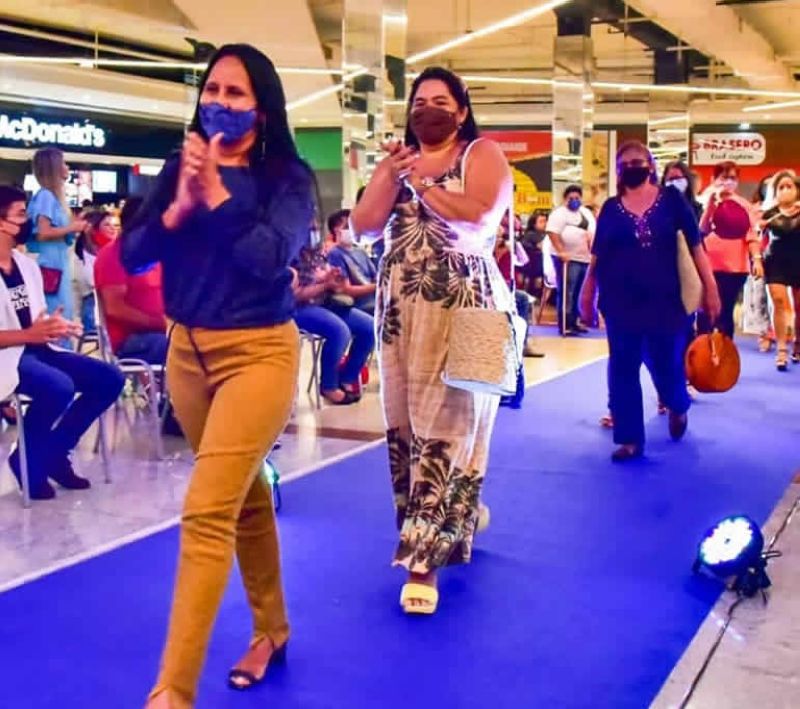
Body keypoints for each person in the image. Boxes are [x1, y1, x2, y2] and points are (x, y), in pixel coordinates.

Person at [122, 44, 315, 707]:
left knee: (206, 513)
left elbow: (268, 258)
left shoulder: (289, 178)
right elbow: (134, 250)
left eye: (236, 93)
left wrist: (216, 194)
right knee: (247, 496)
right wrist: (175, 209)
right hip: (187, 353)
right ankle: (272, 628)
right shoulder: (179, 164)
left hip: (258, 352)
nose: (221, 104)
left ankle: (171, 691)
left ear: (262, 107)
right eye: (213, 90)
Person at [351, 66, 514, 614]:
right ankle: (454, 516)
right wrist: (390, 175)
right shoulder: (397, 165)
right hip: (401, 309)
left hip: (473, 308)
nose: (428, 109)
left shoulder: (482, 153)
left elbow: (477, 215)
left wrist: (421, 181)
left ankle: (423, 562)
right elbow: (364, 225)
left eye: (441, 101)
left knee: (454, 433)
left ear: (461, 111)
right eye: (419, 101)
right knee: (408, 428)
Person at [579, 141, 721, 462]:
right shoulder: (611, 209)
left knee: (667, 364)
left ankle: (677, 404)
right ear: (618, 171)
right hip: (620, 302)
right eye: (625, 163)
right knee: (623, 367)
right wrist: (587, 292)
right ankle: (629, 439)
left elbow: (696, 247)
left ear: (650, 166)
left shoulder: (672, 201)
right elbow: (598, 255)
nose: (632, 167)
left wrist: (710, 288)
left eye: (638, 161)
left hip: (666, 301)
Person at [0, 185, 124, 499]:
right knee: (58, 386)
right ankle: (29, 462)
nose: (27, 220)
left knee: (109, 378)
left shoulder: (27, 266)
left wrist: (56, 326)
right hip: (8, 354)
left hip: (39, 348)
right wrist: (29, 335)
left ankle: (52, 453)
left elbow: (37, 319)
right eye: (19, 214)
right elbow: (23, 332)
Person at [292, 240, 375, 405]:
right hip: (299, 308)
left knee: (369, 327)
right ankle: (329, 386)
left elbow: (338, 288)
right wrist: (325, 284)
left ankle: (347, 377)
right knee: (339, 331)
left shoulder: (318, 256)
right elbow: (296, 295)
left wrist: (336, 281)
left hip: (326, 303)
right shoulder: (290, 257)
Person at [95, 197, 168, 364]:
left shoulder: (156, 252)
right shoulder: (113, 255)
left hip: (162, 331)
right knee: (182, 349)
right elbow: (114, 308)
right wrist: (158, 323)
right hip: (131, 340)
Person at [697, 161, 764, 339]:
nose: (728, 182)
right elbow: (700, 229)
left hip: (735, 268)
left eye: (733, 178)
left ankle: (726, 359)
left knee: (726, 313)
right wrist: (712, 201)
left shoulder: (744, 205)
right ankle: (701, 358)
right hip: (707, 266)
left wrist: (756, 259)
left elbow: (752, 236)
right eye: (724, 177)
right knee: (705, 313)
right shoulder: (703, 201)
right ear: (714, 179)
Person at [26, 148, 86, 326]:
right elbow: (43, 233)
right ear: (55, 168)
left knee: (61, 311)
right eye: (64, 163)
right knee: (57, 313)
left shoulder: (51, 197)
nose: (67, 167)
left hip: (57, 263)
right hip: (50, 265)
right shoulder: (46, 196)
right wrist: (72, 227)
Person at [760, 170, 800, 370]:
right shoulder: (769, 213)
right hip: (775, 260)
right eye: (781, 187)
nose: (785, 190)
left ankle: (798, 345)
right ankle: (782, 349)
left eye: (789, 186)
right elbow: (757, 235)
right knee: (779, 301)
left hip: (798, 259)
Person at [546, 184, 595, 335]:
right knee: (568, 291)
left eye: (577, 198)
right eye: (571, 198)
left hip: (583, 258)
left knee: (577, 292)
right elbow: (552, 233)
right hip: (567, 258)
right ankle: (565, 324)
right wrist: (561, 251)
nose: (574, 200)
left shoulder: (586, 213)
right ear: (565, 199)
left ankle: (574, 321)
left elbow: (592, 231)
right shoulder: (559, 214)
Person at [72, 210, 118, 334]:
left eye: (115, 225)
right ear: (93, 229)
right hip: (95, 311)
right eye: (107, 225)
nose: (113, 229)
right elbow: (93, 283)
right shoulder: (81, 256)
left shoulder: (113, 251)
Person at [326, 208, 378, 314]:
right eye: (346, 227)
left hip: (377, 303)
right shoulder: (335, 254)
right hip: (360, 307)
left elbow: (376, 277)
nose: (351, 230)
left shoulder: (360, 252)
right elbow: (346, 289)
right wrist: (377, 287)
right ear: (336, 230)